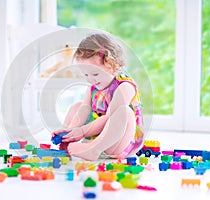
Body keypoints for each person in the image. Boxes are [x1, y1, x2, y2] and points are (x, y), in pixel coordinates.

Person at [51, 33, 144, 161]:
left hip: (119, 142)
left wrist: (83, 131)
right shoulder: (93, 88)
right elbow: (84, 110)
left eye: (95, 73)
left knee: (124, 112)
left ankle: (94, 150)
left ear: (113, 66)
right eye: (86, 75)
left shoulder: (125, 86)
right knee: (78, 106)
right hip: (96, 137)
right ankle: (68, 143)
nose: (90, 79)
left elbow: (108, 117)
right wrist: (70, 132)